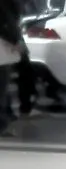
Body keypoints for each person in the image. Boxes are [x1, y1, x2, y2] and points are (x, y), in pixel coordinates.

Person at [0, 0, 21, 137]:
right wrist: (15, 40)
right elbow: (6, 22)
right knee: (1, 87)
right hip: (3, 47)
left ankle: (5, 118)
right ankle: (1, 125)